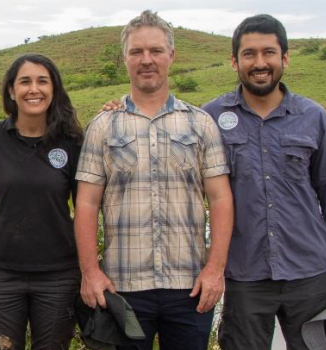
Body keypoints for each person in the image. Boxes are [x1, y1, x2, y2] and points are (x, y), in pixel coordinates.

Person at [200, 14, 326, 350]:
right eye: (249, 54)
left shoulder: (313, 117)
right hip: (244, 274)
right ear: (234, 61)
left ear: (285, 59)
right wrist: (123, 109)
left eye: (269, 53)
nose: (259, 63)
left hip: (308, 273)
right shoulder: (210, 118)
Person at [73, 10, 234, 350]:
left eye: (156, 51)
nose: (147, 60)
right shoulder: (102, 127)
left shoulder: (201, 124)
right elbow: (85, 203)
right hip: (123, 287)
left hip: (190, 285)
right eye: (137, 52)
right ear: (125, 58)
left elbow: (220, 199)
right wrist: (90, 271)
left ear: (171, 56)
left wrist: (215, 269)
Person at [0, 54, 84, 350]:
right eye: (25, 81)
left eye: (43, 81)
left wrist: (91, 270)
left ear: (54, 89)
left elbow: (86, 208)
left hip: (58, 274)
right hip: (0, 272)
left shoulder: (71, 141)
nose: (34, 89)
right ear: (11, 91)